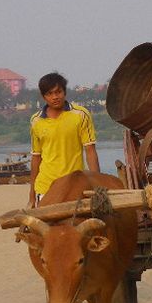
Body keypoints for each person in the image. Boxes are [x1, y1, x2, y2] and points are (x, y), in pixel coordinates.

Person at [28, 72, 100, 207]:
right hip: (45, 187)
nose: (55, 97)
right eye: (50, 94)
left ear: (64, 92)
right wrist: (31, 196)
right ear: (44, 97)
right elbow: (36, 158)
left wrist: (98, 186)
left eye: (58, 92)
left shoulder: (80, 114)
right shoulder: (36, 121)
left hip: (74, 186)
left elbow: (90, 151)